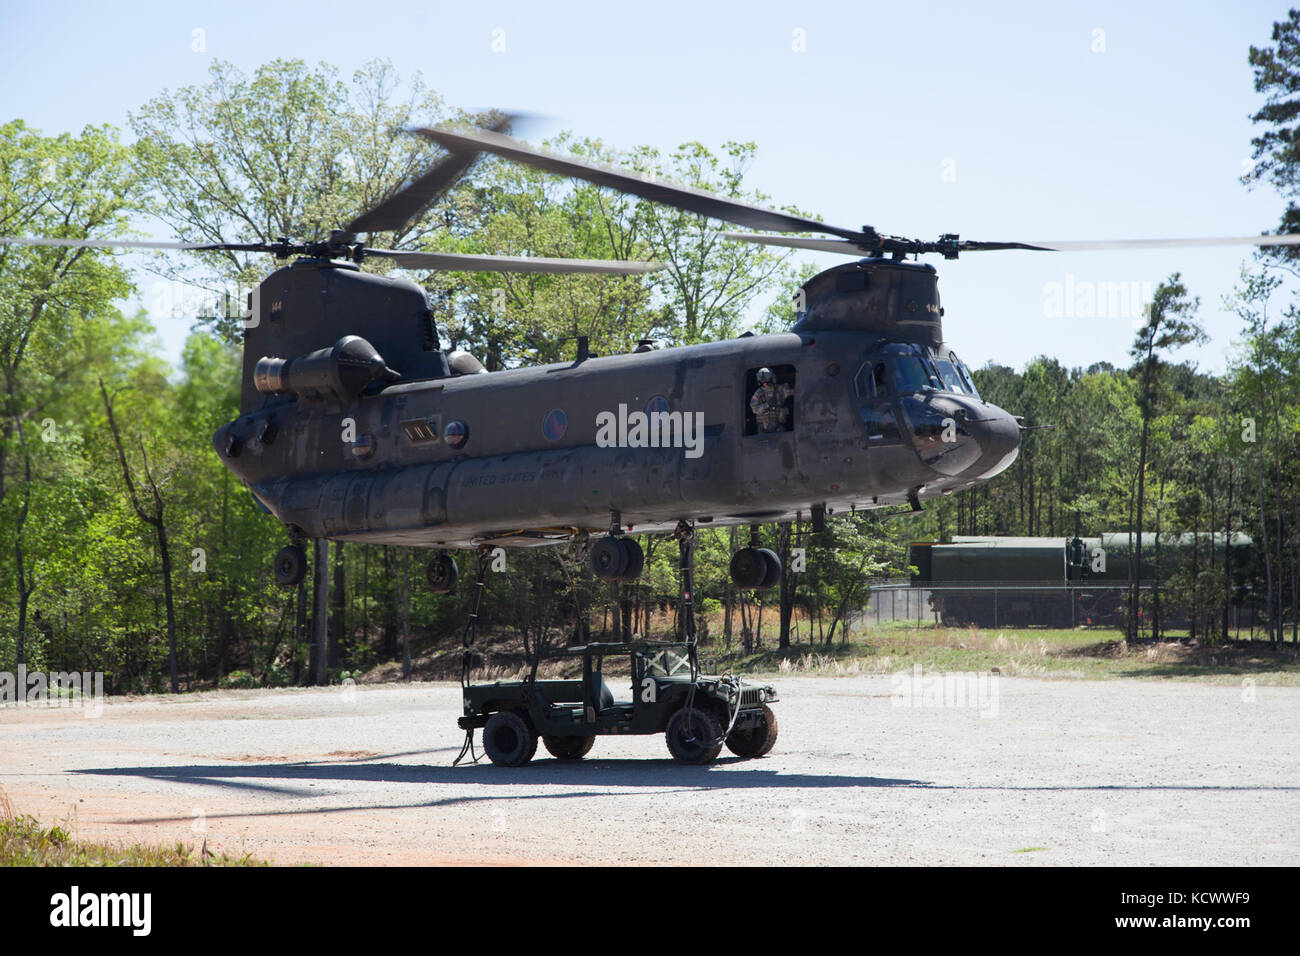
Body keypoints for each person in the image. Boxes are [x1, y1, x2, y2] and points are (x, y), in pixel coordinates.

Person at [749, 367, 793, 433]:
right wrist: (767, 405)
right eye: (763, 383)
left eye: (767, 382)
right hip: (764, 428)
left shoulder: (780, 389)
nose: (765, 385)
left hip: (779, 426)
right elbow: (754, 409)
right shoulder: (759, 393)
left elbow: (795, 392)